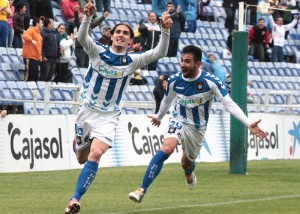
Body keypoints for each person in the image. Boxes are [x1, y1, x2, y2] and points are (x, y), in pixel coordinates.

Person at [64, 1, 173, 213]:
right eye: (118, 32)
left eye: (125, 33)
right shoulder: (97, 52)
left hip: (109, 116)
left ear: (130, 40)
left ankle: (74, 199)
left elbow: (159, 53)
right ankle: (78, 144)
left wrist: (165, 31)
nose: (121, 35)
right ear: (112, 36)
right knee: (82, 158)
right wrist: (87, 17)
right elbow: (82, 38)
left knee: (95, 154)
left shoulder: (132, 60)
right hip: (86, 112)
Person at [129, 45, 267, 203]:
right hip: (178, 119)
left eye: (187, 61)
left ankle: (189, 173)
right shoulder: (174, 80)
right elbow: (167, 101)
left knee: (186, 162)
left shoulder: (211, 82)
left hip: (197, 128)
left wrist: (248, 122)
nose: (182, 64)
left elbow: (229, 104)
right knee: (166, 148)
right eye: (181, 60)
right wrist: (159, 117)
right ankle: (141, 190)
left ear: (198, 64)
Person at [22, 17, 43, 81]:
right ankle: (26, 89)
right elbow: (24, 35)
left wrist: (40, 55)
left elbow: (39, 46)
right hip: (30, 56)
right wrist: (32, 40)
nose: (42, 24)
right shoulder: (31, 30)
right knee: (29, 76)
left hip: (35, 58)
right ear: (37, 23)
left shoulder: (38, 33)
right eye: (41, 23)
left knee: (35, 76)